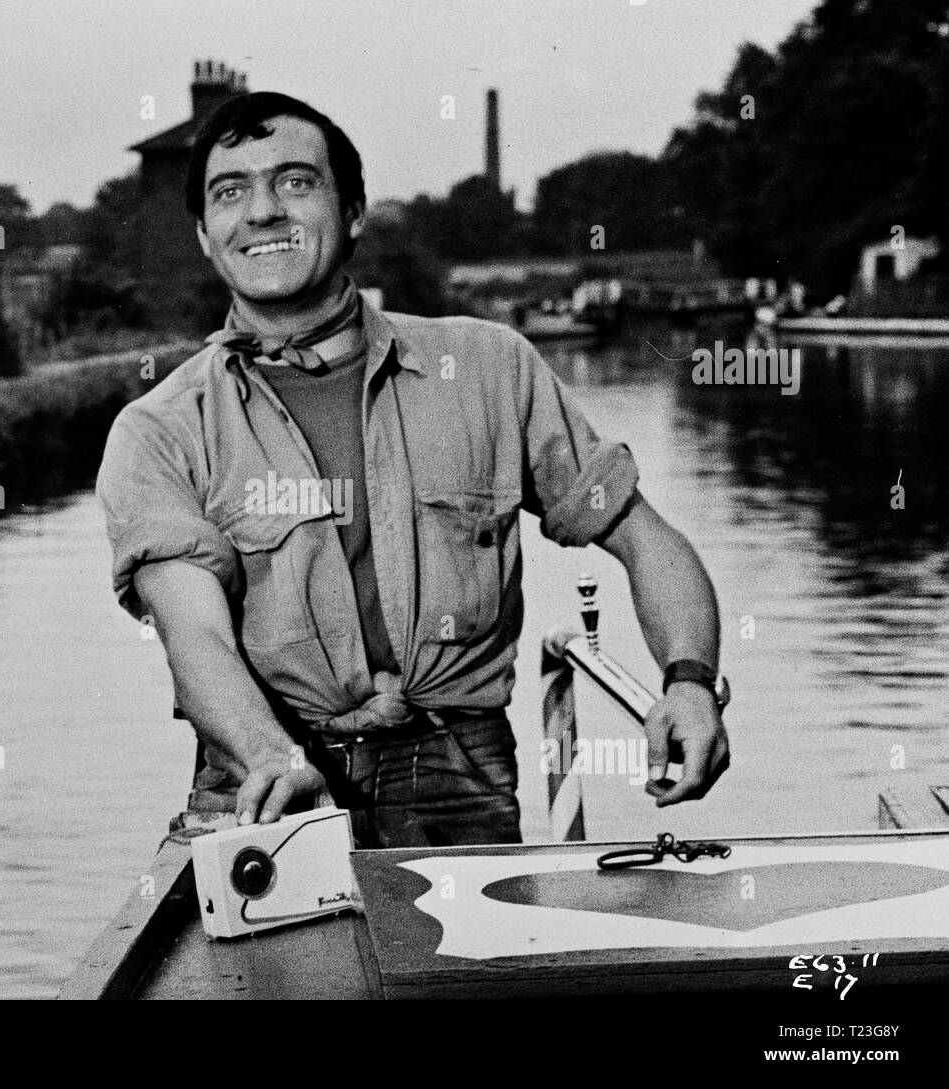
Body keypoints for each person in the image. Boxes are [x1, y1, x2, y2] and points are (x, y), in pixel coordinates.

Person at [97, 91, 730, 848]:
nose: (262, 210)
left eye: (296, 182)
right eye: (231, 192)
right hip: (260, 782)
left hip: (459, 781)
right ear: (206, 234)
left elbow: (645, 538)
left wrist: (690, 684)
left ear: (356, 210)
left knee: (469, 968)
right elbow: (193, 633)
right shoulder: (160, 430)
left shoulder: (492, 368)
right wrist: (274, 757)